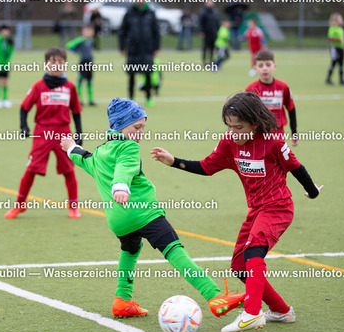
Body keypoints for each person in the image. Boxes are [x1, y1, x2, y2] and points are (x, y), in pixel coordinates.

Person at [151, 92, 323, 332]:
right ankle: (281, 311)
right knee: (240, 267)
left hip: (278, 207)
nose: (233, 132)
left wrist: (312, 192)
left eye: (239, 127)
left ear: (255, 123)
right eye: (229, 126)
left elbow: (296, 168)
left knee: (253, 252)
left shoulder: (273, 142)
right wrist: (174, 161)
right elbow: (207, 167)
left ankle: (252, 313)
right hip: (256, 210)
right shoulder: (229, 143)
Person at [61, 98, 246, 319]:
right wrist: (120, 187)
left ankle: (122, 300)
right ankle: (214, 295)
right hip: (143, 213)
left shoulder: (101, 152)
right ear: (120, 126)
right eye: (136, 127)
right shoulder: (128, 146)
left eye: (143, 127)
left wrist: (70, 147)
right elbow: (125, 168)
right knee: (174, 249)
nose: (140, 133)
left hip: (118, 220)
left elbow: (84, 159)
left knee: (130, 250)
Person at [4, 48, 83, 220]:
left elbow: (76, 111)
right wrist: (24, 126)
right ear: (46, 64)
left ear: (65, 65)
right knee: (31, 169)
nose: (57, 65)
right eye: (53, 62)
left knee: (69, 169)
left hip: (63, 133)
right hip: (42, 132)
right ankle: (20, 205)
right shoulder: (38, 86)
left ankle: (73, 207)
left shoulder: (70, 87)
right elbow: (24, 107)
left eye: (60, 62)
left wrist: (79, 134)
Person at [245, 50, 298, 146]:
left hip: (278, 133)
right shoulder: (251, 89)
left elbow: (291, 108)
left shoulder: (283, 87)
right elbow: (247, 114)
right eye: (260, 66)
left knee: (277, 155)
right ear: (255, 68)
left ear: (274, 66)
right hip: (259, 132)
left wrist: (294, 132)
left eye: (268, 65)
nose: (265, 68)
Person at [119, 0, 160, 107]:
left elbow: (156, 32)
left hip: (147, 49)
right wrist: (122, 47)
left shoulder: (150, 13)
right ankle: (131, 98)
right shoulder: (129, 13)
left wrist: (156, 47)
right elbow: (122, 31)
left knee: (148, 74)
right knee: (131, 75)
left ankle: (148, 97)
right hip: (133, 50)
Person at [66, 26, 95, 106]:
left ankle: (90, 100)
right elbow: (69, 45)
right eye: (86, 31)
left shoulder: (91, 41)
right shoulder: (80, 40)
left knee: (89, 81)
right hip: (83, 63)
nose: (88, 33)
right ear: (83, 32)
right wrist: (77, 52)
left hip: (90, 63)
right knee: (80, 81)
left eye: (90, 31)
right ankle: (79, 100)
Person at [0, 25, 14, 109]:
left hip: (6, 64)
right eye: (4, 31)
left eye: (7, 31)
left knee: (5, 81)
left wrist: (7, 61)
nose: (6, 33)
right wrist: (0, 60)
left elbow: (11, 51)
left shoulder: (10, 40)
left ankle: (5, 99)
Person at [326, 13, 344, 86]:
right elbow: (330, 39)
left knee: (341, 64)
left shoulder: (340, 29)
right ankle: (328, 79)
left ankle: (341, 80)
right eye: (340, 19)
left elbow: (343, 40)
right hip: (335, 49)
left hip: (341, 48)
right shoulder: (332, 28)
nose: (342, 20)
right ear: (336, 20)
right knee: (334, 63)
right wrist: (338, 39)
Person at [199, 0, 220, 66]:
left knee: (212, 48)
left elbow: (217, 22)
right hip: (206, 33)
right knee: (205, 47)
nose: (210, 3)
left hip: (213, 32)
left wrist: (218, 30)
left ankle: (211, 61)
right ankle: (204, 61)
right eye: (209, 2)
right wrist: (202, 31)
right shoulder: (203, 12)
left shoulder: (215, 11)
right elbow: (201, 23)